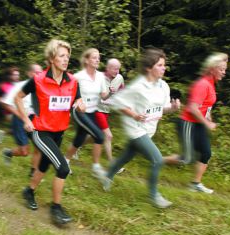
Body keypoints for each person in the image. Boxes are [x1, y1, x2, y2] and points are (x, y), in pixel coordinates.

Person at [14, 39, 85, 224]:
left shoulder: (73, 81)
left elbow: (78, 100)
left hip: (59, 131)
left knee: (44, 166)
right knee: (62, 167)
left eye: (68, 56)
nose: (66, 59)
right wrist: (24, 120)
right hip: (40, 131)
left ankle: (28, 191)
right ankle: (56, 208)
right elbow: (18, 98)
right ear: (52, 58)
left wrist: (80, 104)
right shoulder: (38, 80)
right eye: (62, 56)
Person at [100, 48, 180, 208]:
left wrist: (172, 108)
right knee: (157, 160)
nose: (164, 68)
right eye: (160, 65)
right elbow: (118, 102)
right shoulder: (139, 86)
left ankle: (107, 176)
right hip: (135, 129)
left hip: (149, 129)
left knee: (126, 156)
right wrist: (134, 115)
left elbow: (162, 108)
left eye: (164, 65)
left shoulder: (164, 86)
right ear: (149, 68)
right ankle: (154, 196)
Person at [164, 52, 228, 194]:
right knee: (187, 158)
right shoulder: (202, 84)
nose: (224, 73)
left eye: (225, 70)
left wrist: (208, 116)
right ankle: (157, 160)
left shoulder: (211, 84)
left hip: (198, 123)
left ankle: (195, 184)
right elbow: (193, 108)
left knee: (206, 153)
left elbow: (205, 105)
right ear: (212, 69)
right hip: (188, 123)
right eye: (222, 69)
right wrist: (207, 124)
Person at [65, 48, 107, 178]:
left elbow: (104, 95)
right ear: (87, 60)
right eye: (94, 57)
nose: (97, 60)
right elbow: (68, 93)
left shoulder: (101, 76)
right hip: (79, 111)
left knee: (79, 139)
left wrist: (111, 92)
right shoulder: (78, 77)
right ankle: (96, 167)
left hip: (92, 111)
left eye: (98, 58)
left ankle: (65, 161)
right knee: (100, 136)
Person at [1, 63, 43, 177]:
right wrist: (21, 116)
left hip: (35, 118)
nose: (40, 75)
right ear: (30, 73)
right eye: (37, 72)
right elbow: (7, 104)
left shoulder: (42, 87)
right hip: (20, 119)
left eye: (41, 72)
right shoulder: (20, 86)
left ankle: (33, 172)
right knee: (24, 152)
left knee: (39, 146)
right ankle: (8, 152)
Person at [95, 58, 125, 173]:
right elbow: (98, 95)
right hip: (96, 109)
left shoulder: (120, 78)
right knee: (108, 136)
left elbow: (122, 91)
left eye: (118, 69)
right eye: (114, 69)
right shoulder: (99, 78)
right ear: (107, 68)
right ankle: (113, 165)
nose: (117, 71)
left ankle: (77, 145)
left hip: (106, 111)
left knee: (96, 136)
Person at [0, 67, 20, 143]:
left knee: (16, 129)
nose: (17, 76)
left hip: (19, 109)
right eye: (14, 75)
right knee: (19, 127)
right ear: (10, 76)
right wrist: (5, 104)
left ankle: (2, 133)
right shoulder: (4, 86)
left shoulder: (20, 85)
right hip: (8, 111)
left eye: (18, 75)